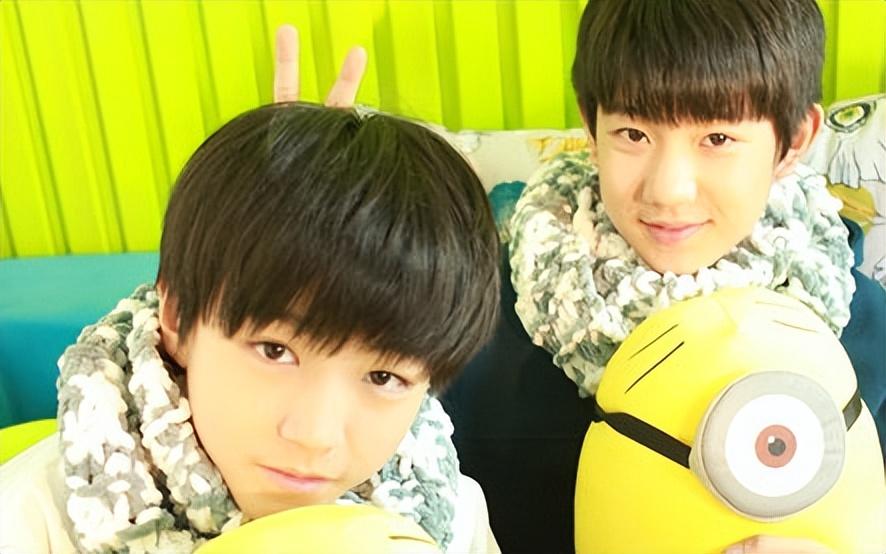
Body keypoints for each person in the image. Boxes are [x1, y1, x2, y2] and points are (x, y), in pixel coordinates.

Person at [270, 1, 886, 552]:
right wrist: (313, 251)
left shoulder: (864, 335)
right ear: (590, 128)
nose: (668, 190)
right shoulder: (473, 313)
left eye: (718, 138)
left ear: (793, 141)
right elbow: (344, 457)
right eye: (634, 133)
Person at [0, 101, 502, 553]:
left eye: (383, 377)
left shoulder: (447, 517)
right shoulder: (33, 520)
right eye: (274, 350)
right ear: (177, 318)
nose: (315, 435)